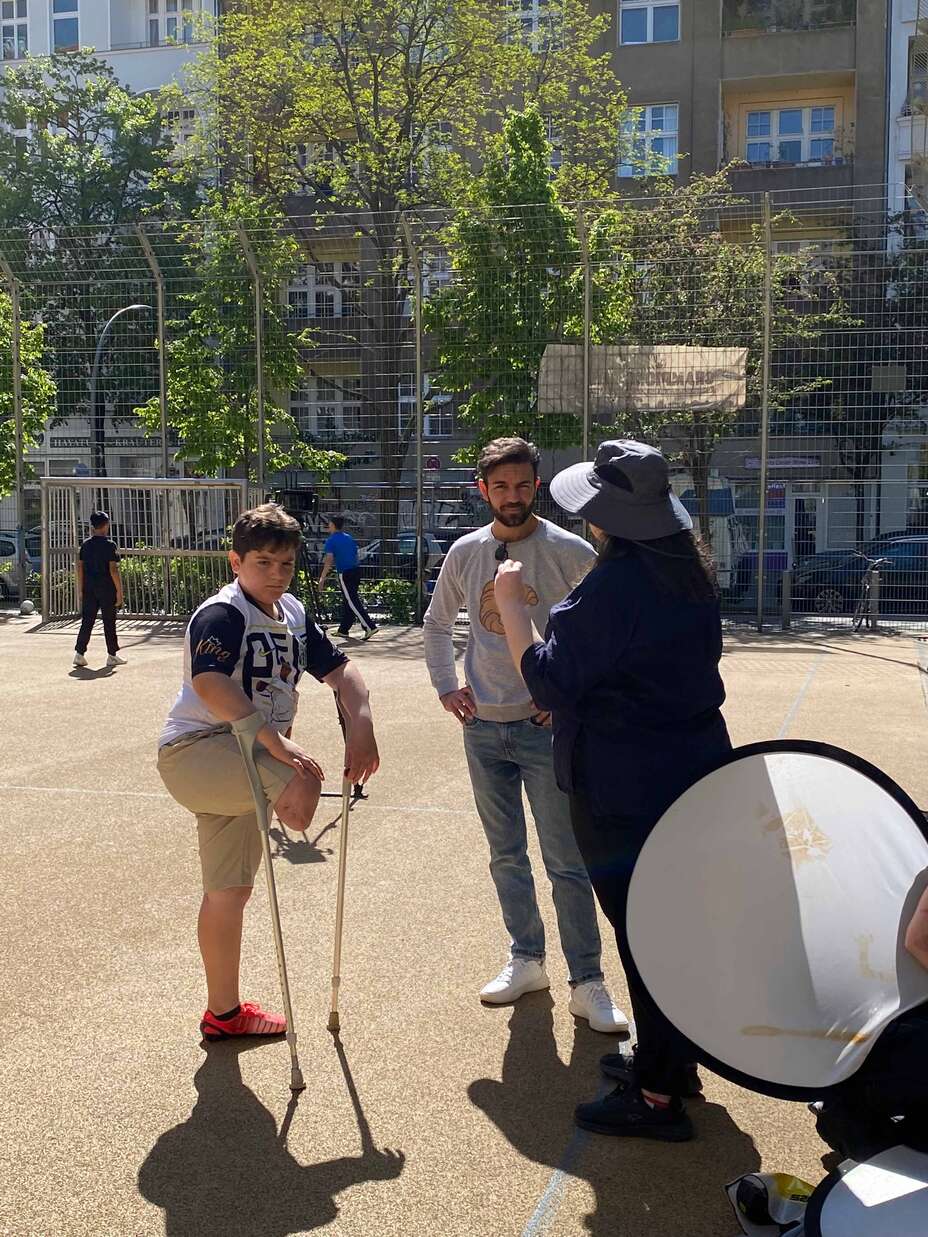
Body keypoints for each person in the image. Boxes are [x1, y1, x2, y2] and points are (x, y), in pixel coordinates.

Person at [494, 439, 732, 1142]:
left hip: (622, 784)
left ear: (607, 519)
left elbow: (548, 679)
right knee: (673, 925)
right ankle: (672, 1060)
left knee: (645, 932)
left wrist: (511, 604)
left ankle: (657, 1092)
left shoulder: (614, 587)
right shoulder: (688, 573)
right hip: (691, 771)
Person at [423, 436, 626, 1034]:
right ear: (482, 491)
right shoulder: (465, 552)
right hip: (483, 726)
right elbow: (437, 626)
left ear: (537, 487)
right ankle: (526, 959)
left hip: (548, 732)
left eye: (522, 485)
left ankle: (587, 981)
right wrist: (446, 686)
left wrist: (567, 700)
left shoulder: (568, 551)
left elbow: (600, 638)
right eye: (499, 486)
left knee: (567, 859)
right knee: (505, 854)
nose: (511, 497)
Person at [157, 503, 379, 1042]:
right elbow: (211, 683)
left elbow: (343, 672)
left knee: (229, 891)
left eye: (285, 564)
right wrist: (275, 740)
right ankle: (224, 1010)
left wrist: (362, 726)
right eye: (262, 563)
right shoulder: (224, 613)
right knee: (301, 790)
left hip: (241, 754)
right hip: (199, 748)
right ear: (236, 561)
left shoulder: (295, 613)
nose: (275, 574)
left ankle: (223, 1014)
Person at [73, 509, 126, 669]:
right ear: (105, 526)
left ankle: (79, 653)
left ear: (92, 526)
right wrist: (119, 592)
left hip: (89, 587)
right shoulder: (110, 545)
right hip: (106, 587)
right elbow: (113, 569)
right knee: (109, 621)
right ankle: (112, 654)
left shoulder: (85, 545)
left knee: (87, 621)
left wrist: (80, 589)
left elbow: (80, 568)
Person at [318, 516, 377, 641]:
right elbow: (355, 554)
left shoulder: (331, 540)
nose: (328, 525)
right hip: (356, 570)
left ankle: (369, 626)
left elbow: (328, 561)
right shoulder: (348, 537)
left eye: (329, 523)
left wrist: (322, 578)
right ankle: (344, 629)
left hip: (345, 573)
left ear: (333, 525)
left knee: (352, 601)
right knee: (348, 600)